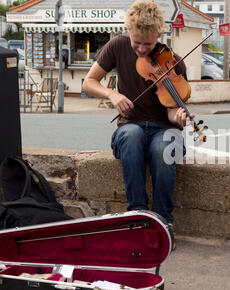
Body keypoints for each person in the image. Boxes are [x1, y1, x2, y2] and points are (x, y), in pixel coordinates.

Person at [82, 0, 192, 244]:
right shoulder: (117, 46)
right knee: (133, 136)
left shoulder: (172, 61)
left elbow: (172, 113)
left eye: (149, 44)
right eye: (137, 43)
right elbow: (88, 82)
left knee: (163, 148)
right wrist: (113, 94)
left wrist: (180, 117)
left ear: (159, 36)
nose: (142, 49)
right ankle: (137, 216)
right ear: (129, 33)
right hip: (130, 126)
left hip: (164, 128)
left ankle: (163, 223)